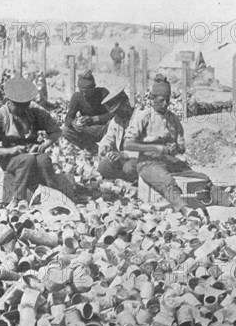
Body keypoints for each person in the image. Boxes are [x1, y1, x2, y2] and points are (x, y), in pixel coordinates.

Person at [0, 78, 80, 205]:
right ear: (8, 102)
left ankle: (53, 194)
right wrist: (10, 150)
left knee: (44, 160)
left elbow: (57, 131)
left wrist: (44, 144)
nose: (21, 110)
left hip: (31, 153)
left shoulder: (34, 112)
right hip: (9, 158)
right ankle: (18, 198)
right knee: (26, 160)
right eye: (17, 106)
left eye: (25, 105)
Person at [124, 76, 210, 217]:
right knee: (166, 181)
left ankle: (226, 200)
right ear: (152, 99)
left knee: (201, 178)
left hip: (169, 161)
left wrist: (176, 147)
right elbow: (128, 144)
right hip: (148, 163)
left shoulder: (173, 119)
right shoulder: (144, 116)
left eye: (167, 100)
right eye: (161, 100)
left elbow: (182, 147)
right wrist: (154, 148)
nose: (165, 104)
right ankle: (185, 209)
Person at [62, 70, 113, 154]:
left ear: (94, 87)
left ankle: (110, 148)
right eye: (82, 91)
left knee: (116, 124)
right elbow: (68, 118)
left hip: (105, 129)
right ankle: (93, 148)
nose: (84, 94)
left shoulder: (103, 93)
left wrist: (96, 119)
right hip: (88, 130)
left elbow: (115, 113)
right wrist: (73, 123)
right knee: (65, 131)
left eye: (87, 91)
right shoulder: (77, 97)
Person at [96, 86, 139, 183]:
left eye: (119, 110)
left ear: (127, 103)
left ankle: (137, 180)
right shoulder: (116, 120)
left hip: (140, 159)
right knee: (103, 167)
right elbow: (108, 137)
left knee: (129, 168)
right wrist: (105, 146)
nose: (118, 115)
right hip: (122, 160)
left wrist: (124, 155)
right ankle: (127, 180)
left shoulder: (141, 118)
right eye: (115, 112)